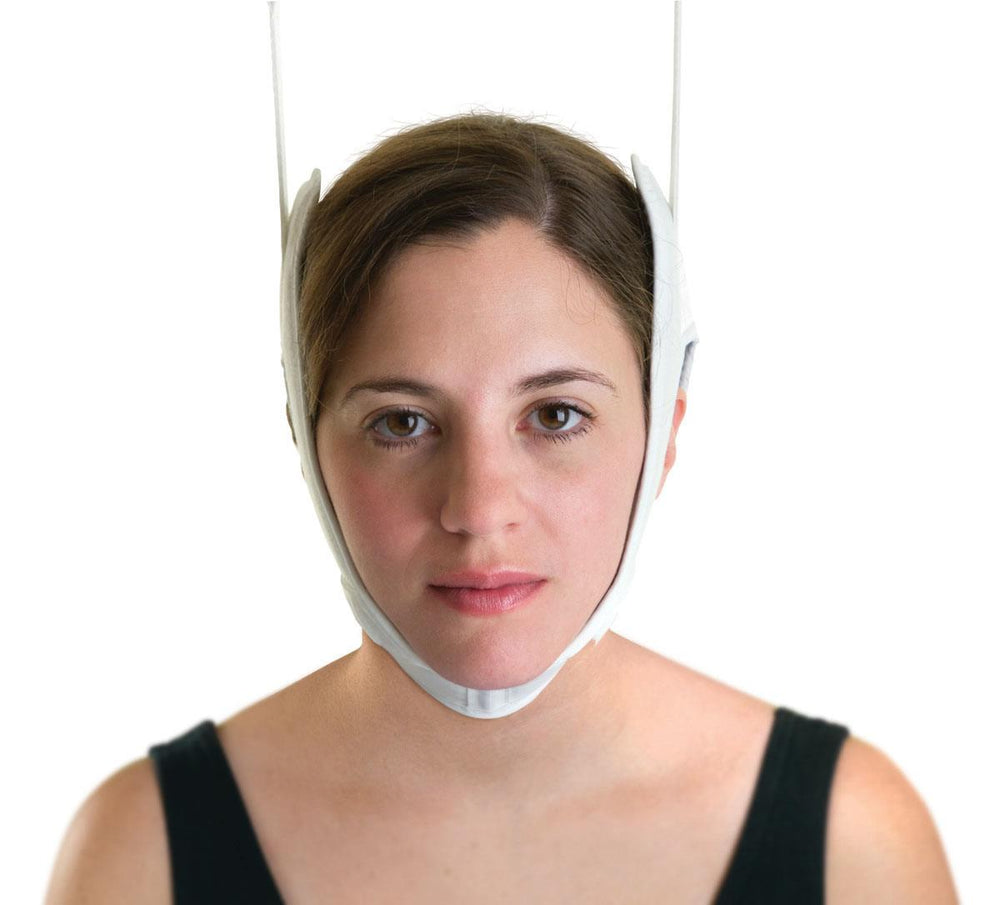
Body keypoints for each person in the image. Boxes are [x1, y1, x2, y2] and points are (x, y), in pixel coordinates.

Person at [44, 112, 958, 904]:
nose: (479, 511)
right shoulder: (143, 854)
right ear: (308, 442)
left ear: (662, 435)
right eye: (402, 422)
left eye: (555, 415)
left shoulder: (850, 842)